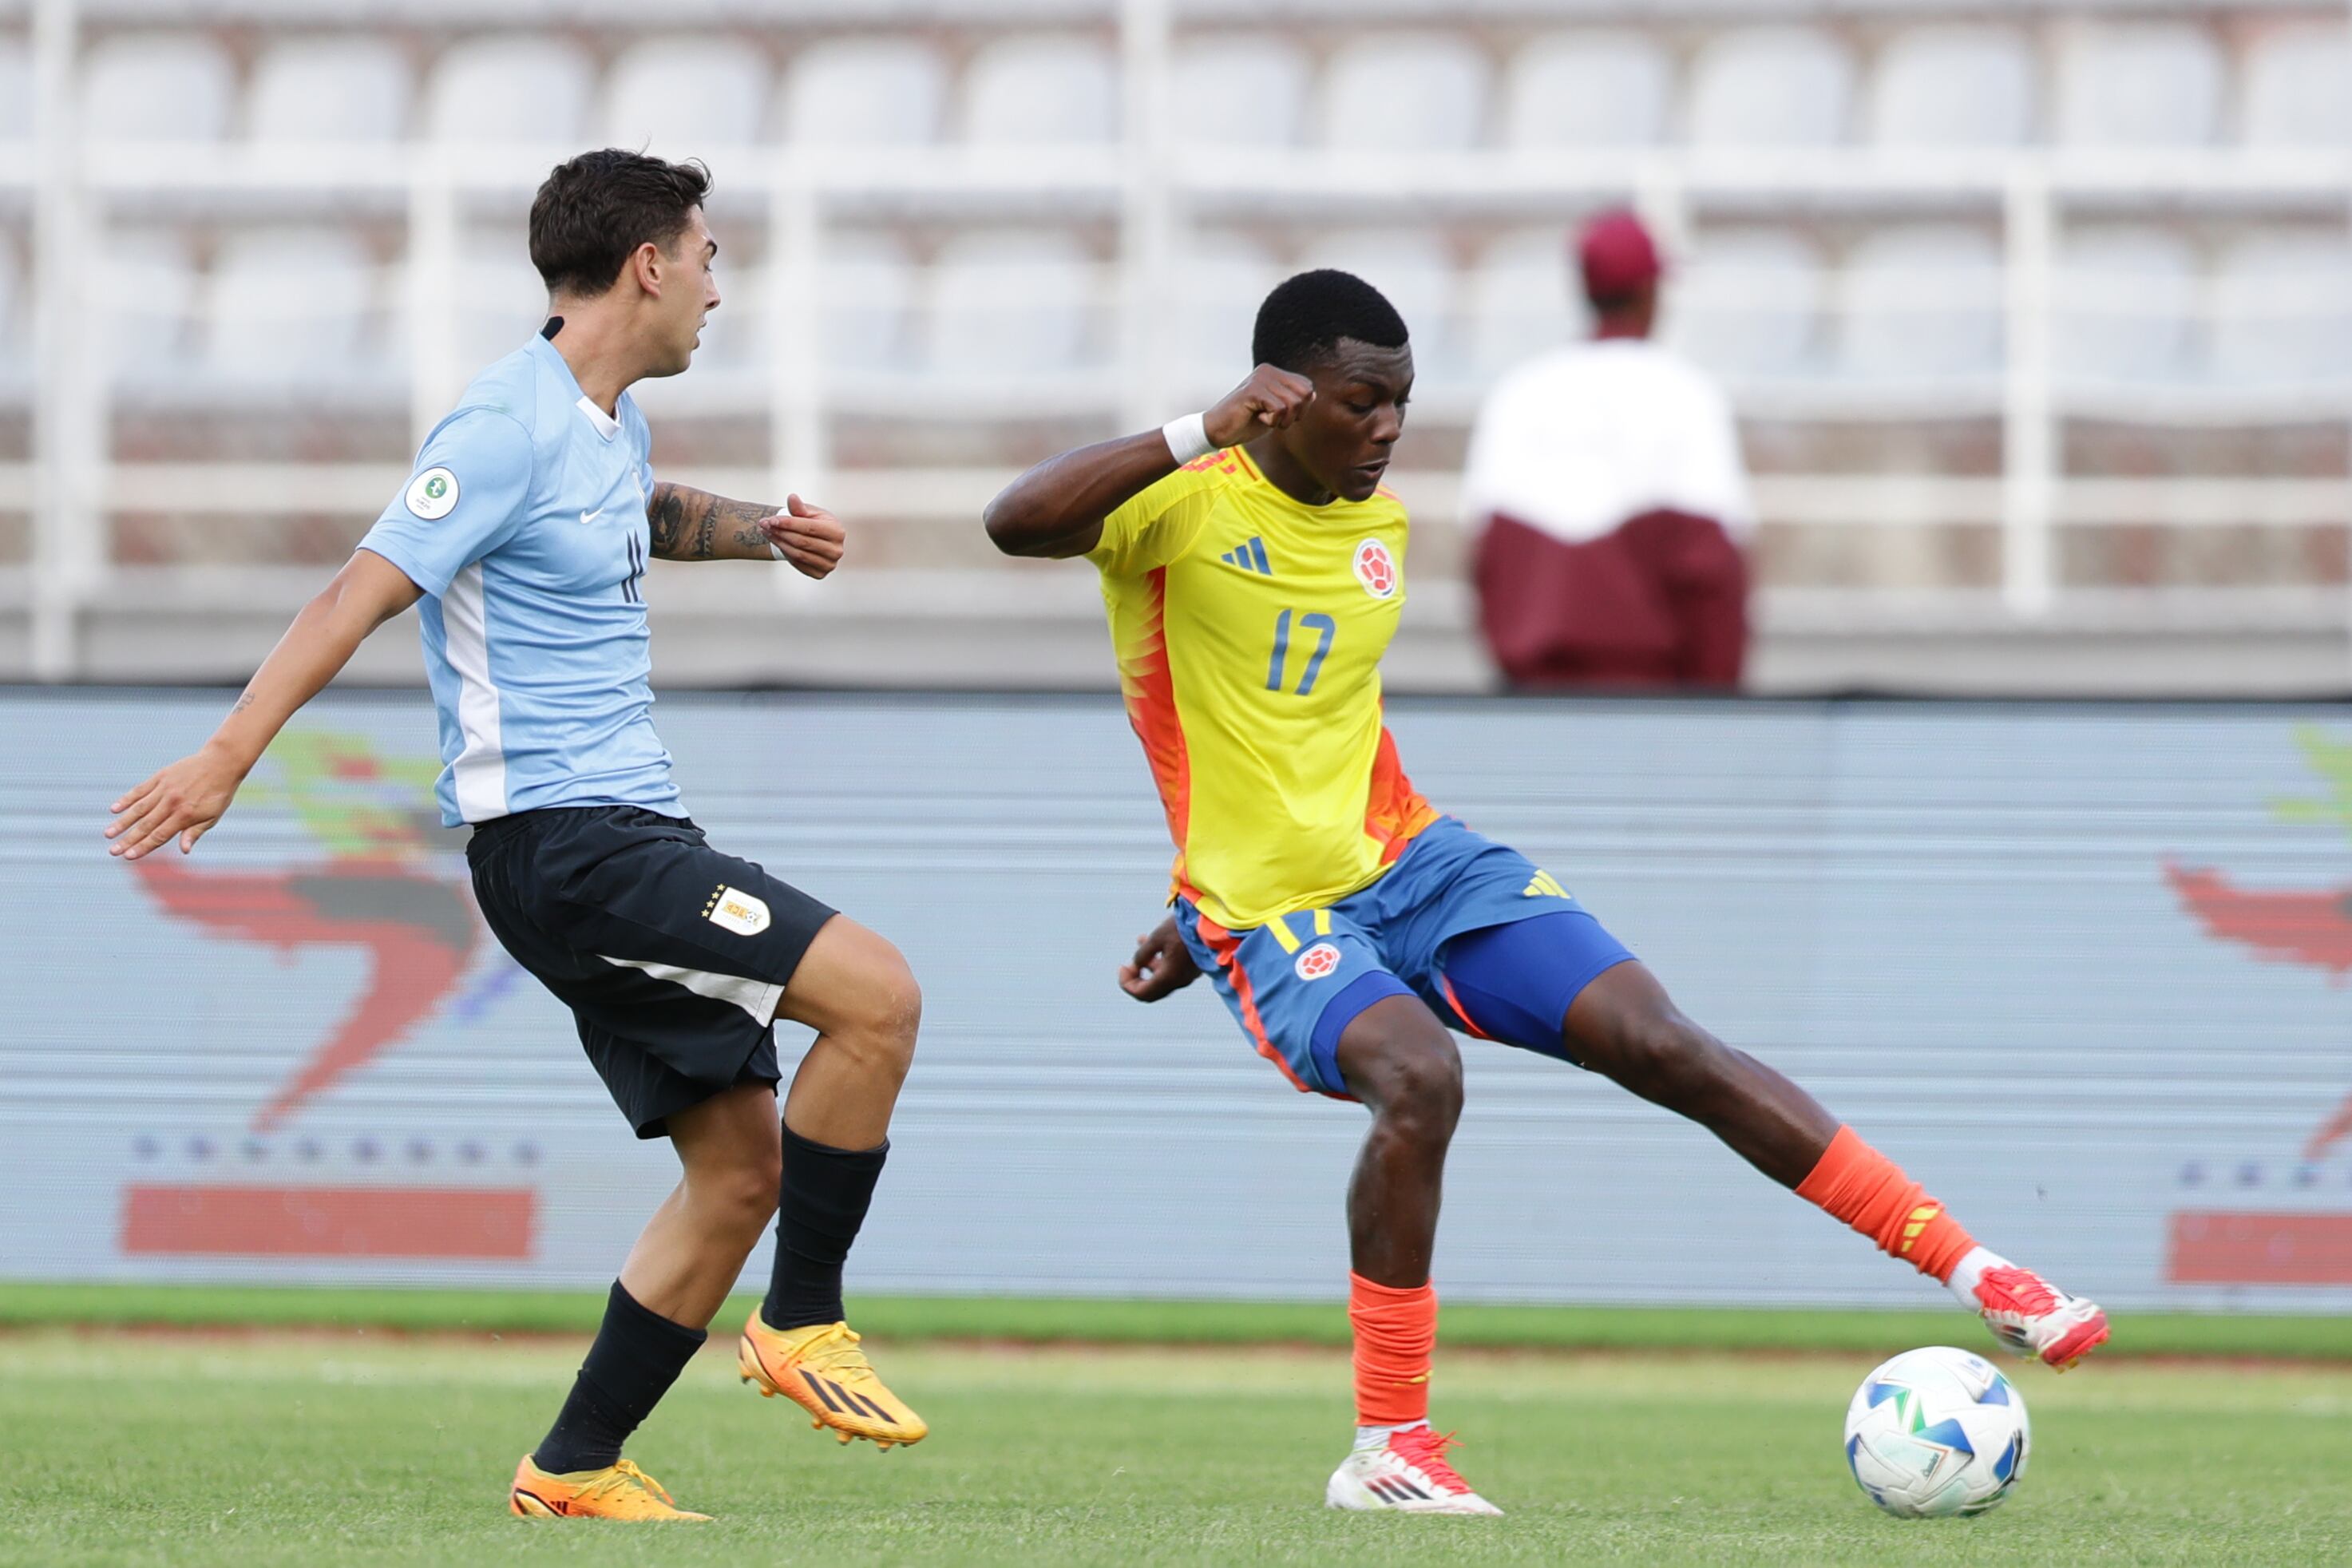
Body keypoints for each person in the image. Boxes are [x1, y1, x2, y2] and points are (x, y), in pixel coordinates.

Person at [983, 268, 2107, 1517]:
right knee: (1419, 1078)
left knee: (1661, 1040)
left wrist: (1194, 920)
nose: (1387, 429)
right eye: (1362, 402)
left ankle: (1980, 1273)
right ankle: (1388, 1448)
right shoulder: (1179, 510)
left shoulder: (1380, 531)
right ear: (1282, 396)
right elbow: (1014, 522)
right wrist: (1198, 426)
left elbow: (1307, 738)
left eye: (1402, 404)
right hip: (1272, 914)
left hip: (1412, 860)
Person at [104, 150, 928, 1522]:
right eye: (709, 259)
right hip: (569, 842)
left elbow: (636, 518)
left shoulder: (605, 423)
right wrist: (226, 754)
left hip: (617, 830)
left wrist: (758, 536)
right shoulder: (497, 423)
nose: (721, 292)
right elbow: (354, 592)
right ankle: (803, 1317)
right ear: (649, 264)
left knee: (740, 1168)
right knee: (881, 996)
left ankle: (575, 1463)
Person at [1462, 209, 1753, 688]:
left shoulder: (1519, 395)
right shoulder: (1686, 396)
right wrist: (1717, 708)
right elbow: (1712, 573)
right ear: (1650, 293)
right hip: (1657, 704)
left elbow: (1489, 562)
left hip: (1533, 698)